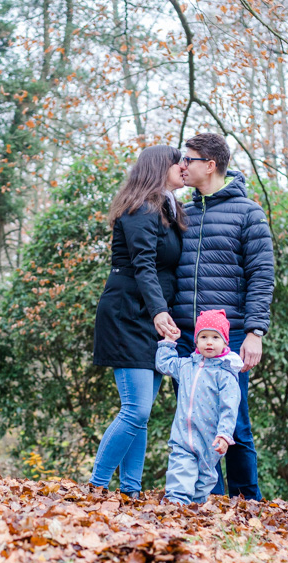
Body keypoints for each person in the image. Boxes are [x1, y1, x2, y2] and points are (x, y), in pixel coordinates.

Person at [173, 133, 274, 501]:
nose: (183, 166)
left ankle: (248, 504)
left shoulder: (248, 212)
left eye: (190, 159)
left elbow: (262, 274)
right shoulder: (183, 212)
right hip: (186, 336)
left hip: (228, 338)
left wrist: (255, 331)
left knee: (235, 424)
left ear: (210, 165)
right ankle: (205, 500)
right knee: (193, 425)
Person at [90, 146, 186, 499]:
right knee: (136, 408)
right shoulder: (142, 209)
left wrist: (164, 313)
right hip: (130, 313)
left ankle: (130, 490)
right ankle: (96, 486)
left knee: (140, 414)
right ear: (161, 167)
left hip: (153, 316)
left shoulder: (167, 209)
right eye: (179, 161)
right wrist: (160, 312)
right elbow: (144, 266)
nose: (184, 166)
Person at [156, 310, 243, 505]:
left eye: (215, 337)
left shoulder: (225, 374)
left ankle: (194, 507)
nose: (209, 342)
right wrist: (169, 341)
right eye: (203, 337)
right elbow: (164, 364)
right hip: (183, 436)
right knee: (181, 468)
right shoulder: (187, 365)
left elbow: (229, 408)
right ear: (196, 340)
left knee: (205, 479)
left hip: (209, 439)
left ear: (225, 342)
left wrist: (224, 435)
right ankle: (176, 504)